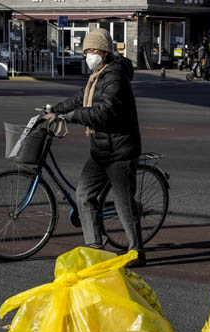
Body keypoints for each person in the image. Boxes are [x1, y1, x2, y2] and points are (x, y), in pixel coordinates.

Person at [46, 28, 145, 267]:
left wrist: (72, 116)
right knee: (84, 195)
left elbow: (106, 113)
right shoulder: (97, 76)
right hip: (101, 150)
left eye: (91, 51)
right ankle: (95, 244)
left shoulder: (115, 77)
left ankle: (137, 252)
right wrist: (55, 110)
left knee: (124, 204)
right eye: (86, 51)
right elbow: (80, 98)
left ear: (103, 51)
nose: (87, 56)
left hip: (120, 151)